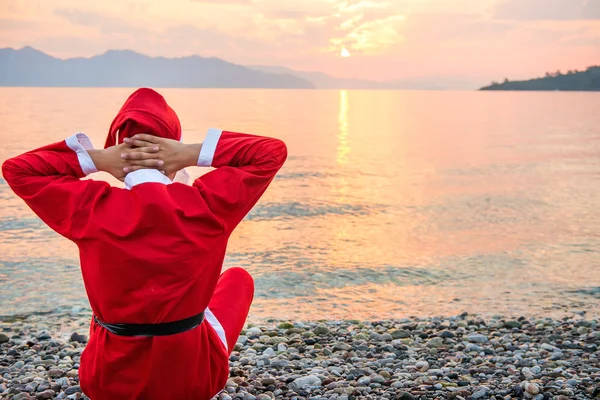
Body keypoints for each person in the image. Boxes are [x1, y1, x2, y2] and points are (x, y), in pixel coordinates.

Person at [1, 88, 287, 399]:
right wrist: (193, 152)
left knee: (112, 296)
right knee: (236, 280)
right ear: (172, 150)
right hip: (193, 380)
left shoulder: (91, 208)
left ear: (117, 151)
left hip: (106, 384)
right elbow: (270, 152)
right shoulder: (206, 206)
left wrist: (95, 159)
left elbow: (18, 168)